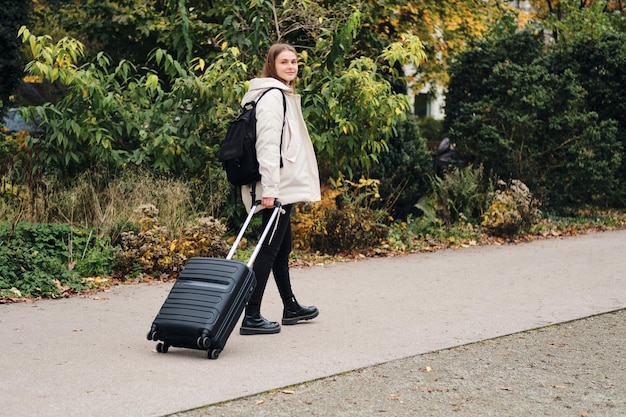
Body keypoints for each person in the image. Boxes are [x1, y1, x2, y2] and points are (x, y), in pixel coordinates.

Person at [239, 43, 322, 335]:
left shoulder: (279, 94)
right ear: (271, 66)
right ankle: (251, 315)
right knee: (269, 249)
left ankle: (290, 306)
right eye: (284, 62)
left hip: (279, 186)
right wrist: (271, 190)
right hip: (275, 187)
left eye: (294, 61)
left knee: (281, 248)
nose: (291, 66)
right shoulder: (273, 97)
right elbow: (267, 146)